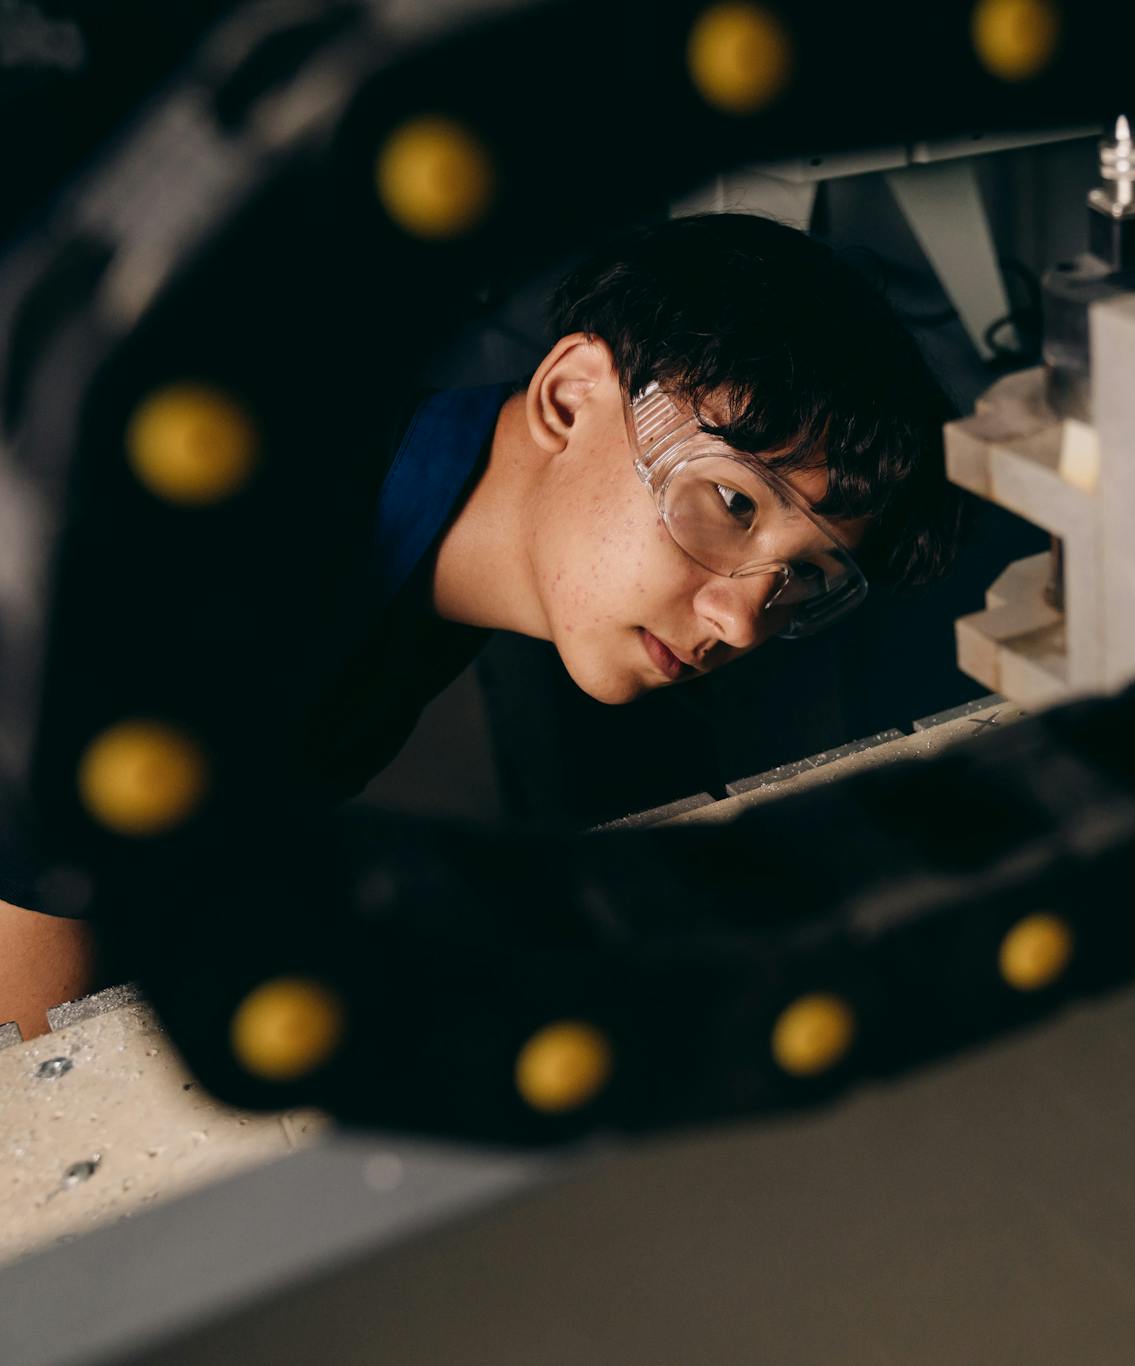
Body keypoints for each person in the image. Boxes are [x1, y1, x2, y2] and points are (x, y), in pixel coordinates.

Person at [0, 212, 963, 1037]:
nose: (745, 620)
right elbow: (35, 1090)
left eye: (802, 576)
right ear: (569, 394)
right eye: (733, 502)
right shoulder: (231, 562)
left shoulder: (422, 589)